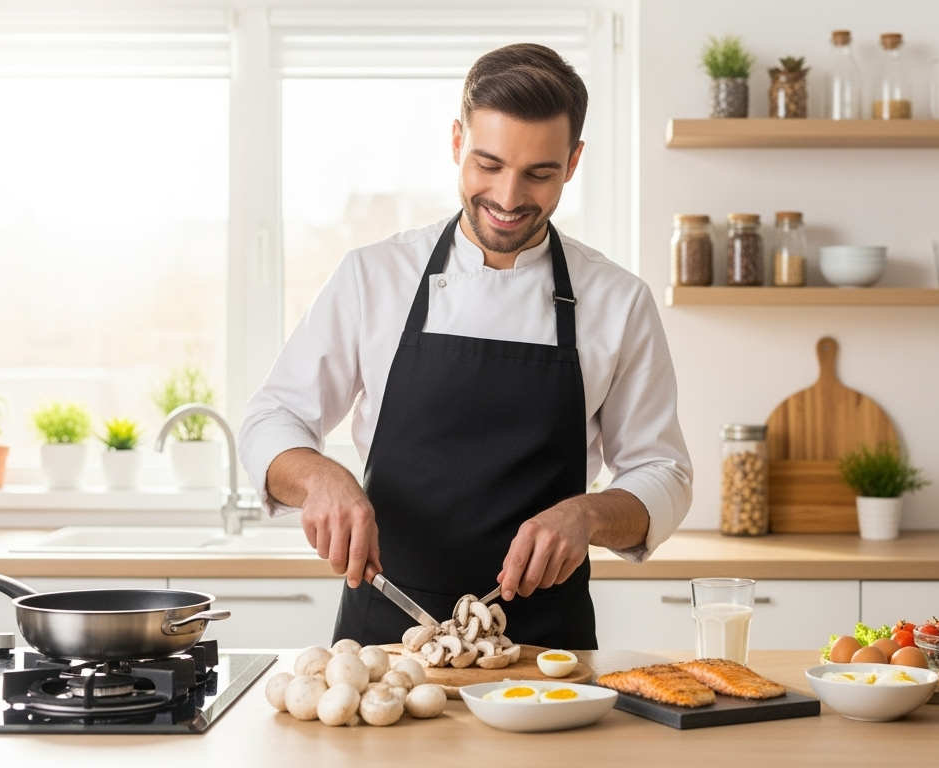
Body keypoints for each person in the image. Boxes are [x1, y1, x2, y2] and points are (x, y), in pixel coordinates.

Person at [239, 43, 691, 650]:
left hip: (543, 655)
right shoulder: (373, 277)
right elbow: (272, 418)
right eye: (488, 164)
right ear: (456, 142)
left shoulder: (618, 301)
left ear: (574, 162)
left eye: (539, 173)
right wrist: (320, 478)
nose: (507, 197)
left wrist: (586, 515)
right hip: (383, 649)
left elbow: (663, 471)